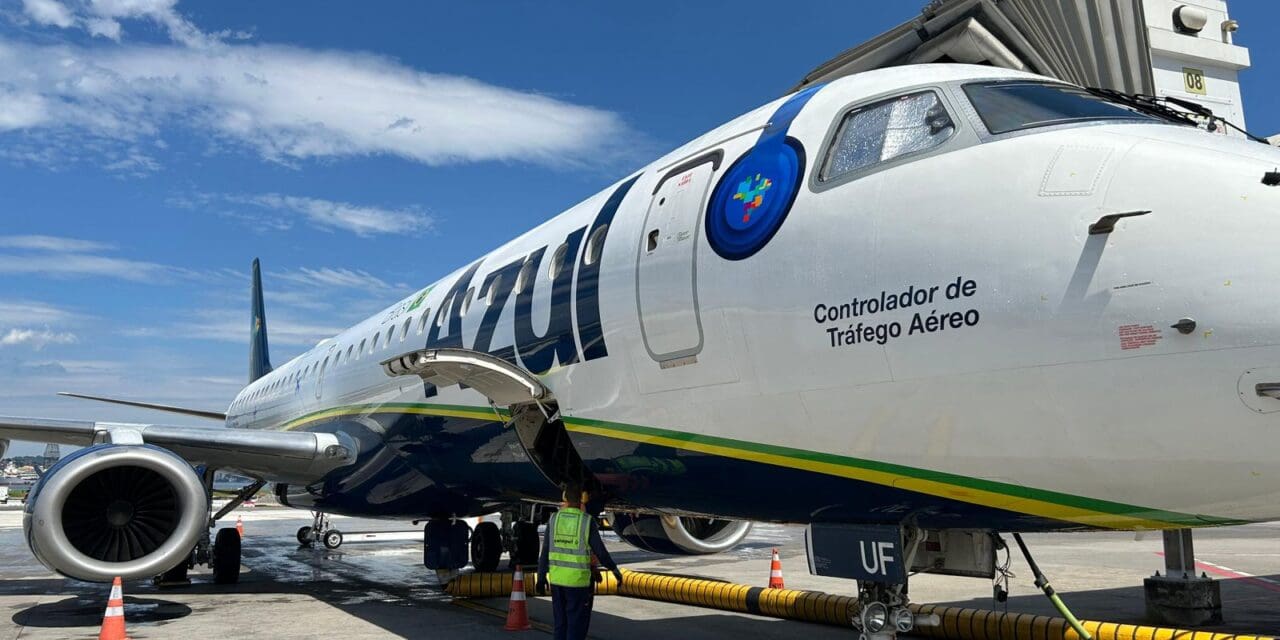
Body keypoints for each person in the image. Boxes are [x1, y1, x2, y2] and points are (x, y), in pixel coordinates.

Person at [537, 482, 623, 640]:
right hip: (578, 584)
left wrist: (541, 577)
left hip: (557, 582)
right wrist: (613, 569)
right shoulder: (586, 521)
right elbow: (600, 552)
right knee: (576, 627)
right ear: (583, 499)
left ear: (565, 498)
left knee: (560, 626)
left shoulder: (554, 519)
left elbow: (545, 551)